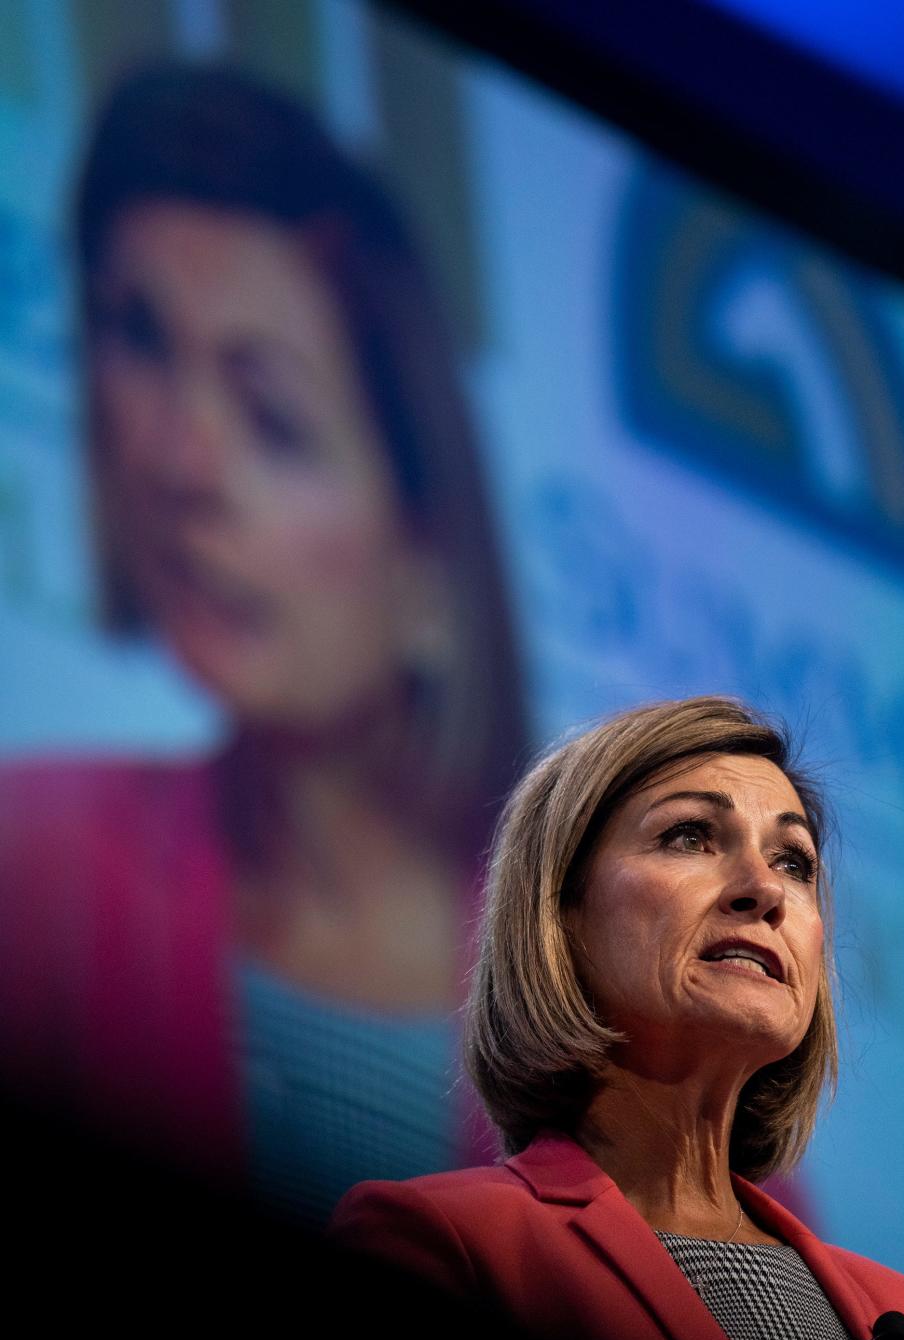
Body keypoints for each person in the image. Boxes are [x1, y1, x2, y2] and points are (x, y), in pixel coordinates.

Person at [0, 63, 526, 1216]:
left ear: (431, 563)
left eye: (273, 420)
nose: (178, 463)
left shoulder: (657, 1043)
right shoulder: (25, 866)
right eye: (139, 337)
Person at [331, 697, 904, 1340]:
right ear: (560, 913)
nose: (763, 889)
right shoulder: (448, 1245)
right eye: (689, 835)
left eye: (793, 861)